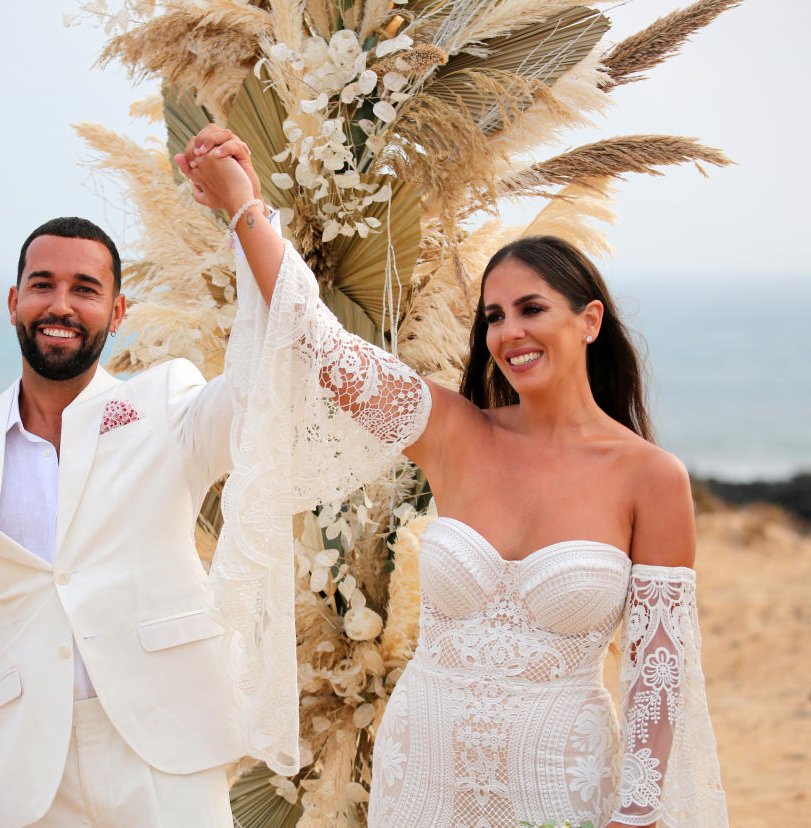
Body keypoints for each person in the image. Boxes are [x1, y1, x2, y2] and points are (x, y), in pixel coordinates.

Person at [178, 127, 728, 827]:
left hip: (559, 781)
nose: (509, 333)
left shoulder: (651, 478)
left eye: (532, 309)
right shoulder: (450, 431)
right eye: (494, 316)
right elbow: (319, 341)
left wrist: (639, 811)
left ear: (589, 320)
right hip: (424, 773)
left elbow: (657, 673)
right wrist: (245, 206)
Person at [0, 215, 272, 827]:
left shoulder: (168, 404)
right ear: (15, 302)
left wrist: (245, 214)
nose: (61, 305)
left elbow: (263, 391)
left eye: (86, 289)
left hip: (166, 752)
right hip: (31, 782)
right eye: (43, 285)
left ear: (118, 311)